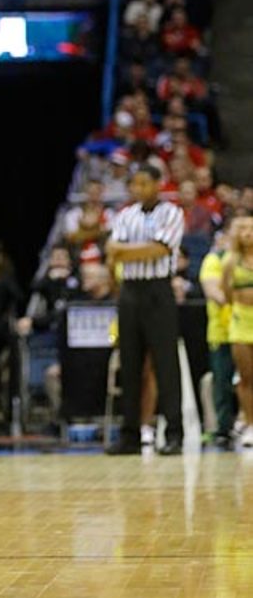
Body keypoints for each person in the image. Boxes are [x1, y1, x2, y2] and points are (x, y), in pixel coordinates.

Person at [105, 165, 184, 456]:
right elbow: (111, 251)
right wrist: (131, 251)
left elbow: (160, 250)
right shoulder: (126, 214)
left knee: (165, 363)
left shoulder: (172, 212)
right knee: (130, 364)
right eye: (134, 184)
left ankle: (174, 433)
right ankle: (130, 435)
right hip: (130, 291)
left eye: (143, 183)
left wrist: (124, 250)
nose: (138, 189)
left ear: (157, 184)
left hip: (158, 290)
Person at [199, 224, 235, 448]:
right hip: (222, 331)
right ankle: (223, 429)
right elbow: (213, 291)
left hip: (247, 329)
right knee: (222, 382)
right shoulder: (214, 259)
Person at [223, 215, 253, 448]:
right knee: (245, 377)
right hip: (241, 319)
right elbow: (226, 293)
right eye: (243, 228)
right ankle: (250, 424)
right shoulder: (231, 261)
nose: (247, 233)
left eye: (251, 229)